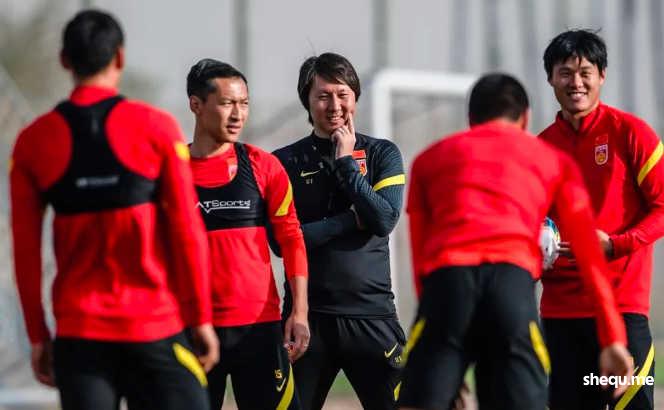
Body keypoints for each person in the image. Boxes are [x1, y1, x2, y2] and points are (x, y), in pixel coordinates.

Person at [10, 9, 217, 410]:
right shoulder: (157, 128)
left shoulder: (32, 143)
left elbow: (26, 250)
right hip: (154, 327)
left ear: (65, 61)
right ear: (119, 56)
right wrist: (201, 318)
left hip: (80, 336)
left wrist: (38, 336)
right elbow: (187, 232)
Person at [398, 73, 634, 410]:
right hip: (510, 288)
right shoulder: (554, 161)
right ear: (525, 118)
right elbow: (589, 257)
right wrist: (613, 338)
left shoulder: (428, 159)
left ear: (471, 119)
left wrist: (442, 333)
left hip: (447, 287)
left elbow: (421, 256)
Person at [271, 52, 406, 410]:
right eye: (323, 96)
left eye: (343, 94)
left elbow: (384, 219)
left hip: (372, 317)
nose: (335, 106)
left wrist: (346, 162)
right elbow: (282, 242)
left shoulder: (381, 154)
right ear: (307, 100)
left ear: (355, 97)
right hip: (307, 320)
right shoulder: (284, 162)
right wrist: (348, 221)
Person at [539, 29, 664, 410]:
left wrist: (617, 244)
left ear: (602, 76)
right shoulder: (540, 148)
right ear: (550, 78)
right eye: (565, 73)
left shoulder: (631, 132)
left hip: (623, 309)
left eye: (585, 72)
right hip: (560, 313)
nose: (575, 82)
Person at [186, 58, 309, 410]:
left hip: (259, 328)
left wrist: (299, 312)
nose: (238, 114)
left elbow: (292, 240)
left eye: (244, 103)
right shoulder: (170, 170)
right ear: (196, 104)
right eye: (227, 103)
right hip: (192, 329)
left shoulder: (264, 166)